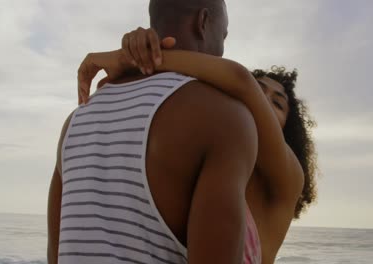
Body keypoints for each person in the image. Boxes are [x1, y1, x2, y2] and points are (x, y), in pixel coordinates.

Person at [76, 27, 318, 263]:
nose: (262, 100)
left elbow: (241, 81)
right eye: (259, 91)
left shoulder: (287, 180)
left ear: (288, 128)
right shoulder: (206, 160)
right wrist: (138, 50)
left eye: (277, 104)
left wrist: (130, 59)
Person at [47, 0, 261, 264]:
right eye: (224, 35)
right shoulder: (224, 118)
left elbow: (57, 256)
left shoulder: (75, 121)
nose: (222, 49)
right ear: (203, 22)